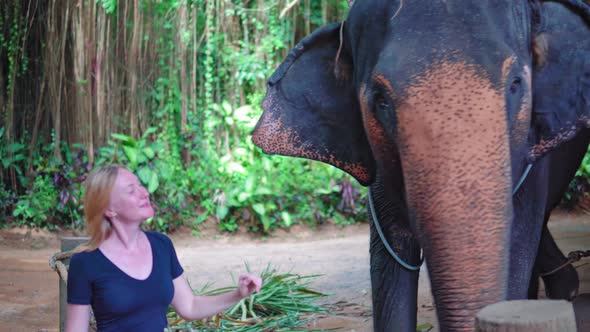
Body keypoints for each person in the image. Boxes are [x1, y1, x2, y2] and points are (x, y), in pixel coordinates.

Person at [65, 164, 262, 332]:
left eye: (140, 185)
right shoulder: (86, 262)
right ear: (109, 209)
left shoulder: (161, 245)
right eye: (131, 190)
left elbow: (189, 307)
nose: (144, 192)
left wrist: (239, 294)